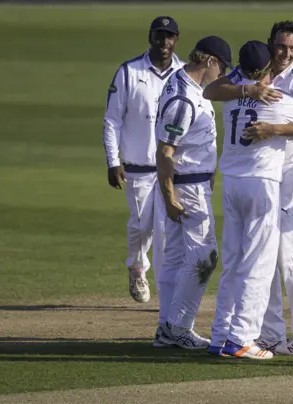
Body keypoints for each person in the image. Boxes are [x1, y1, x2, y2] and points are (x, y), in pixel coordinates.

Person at [204, 21, 293, 357]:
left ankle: (226, 335)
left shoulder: (290, 80)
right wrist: (254, 96)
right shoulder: (273, 97)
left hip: (251, 179)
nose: (287, 54)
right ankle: (244, 338)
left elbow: (210, 91)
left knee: (281, 259)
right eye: (281, 47)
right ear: (269, 48)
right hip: (263, 182)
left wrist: (257, 107)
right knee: (258, 262)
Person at [153, 36, 232, 349]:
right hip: (186, 188)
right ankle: (179, 327)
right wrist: (169, 195)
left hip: (191, 183)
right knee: (205, 257)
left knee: (175, 256)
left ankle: (166, 327)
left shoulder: (187, 87)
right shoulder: (184, 97)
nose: (223, 74)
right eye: (222, 67)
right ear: (210, 61)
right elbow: (164, 151)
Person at [103, 16, 184, 304]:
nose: (164, 42)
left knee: (166, 232)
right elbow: (112, 120)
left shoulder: (184, 73)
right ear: (150, 37)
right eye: (159, 36)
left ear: (176, 39)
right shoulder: (129, 71)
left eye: (170, 36)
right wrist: (114, 161)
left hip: (174, 168)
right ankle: (137, 267)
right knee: (141, 226)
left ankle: (167, 292)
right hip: (138, 167)